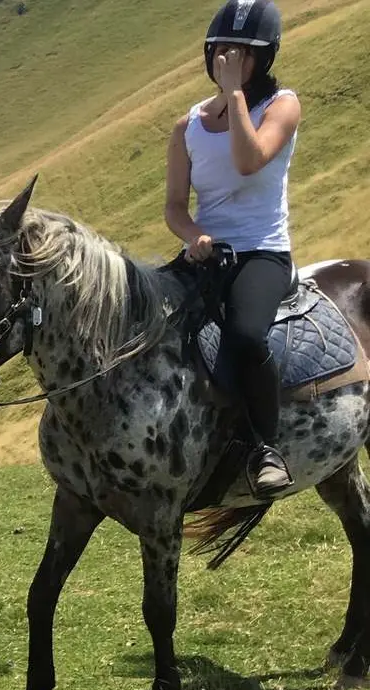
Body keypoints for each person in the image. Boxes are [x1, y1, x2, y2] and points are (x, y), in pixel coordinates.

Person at [164, 0, 300, 499]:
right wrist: (193, 236)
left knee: (244, 334)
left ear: (262, 60)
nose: (227, 59)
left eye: (240, 53)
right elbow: (175, 205)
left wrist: (234, 95)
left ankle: (268, 447)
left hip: (262, 251)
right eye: (221, 50)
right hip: (206, 252)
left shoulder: (282, 106)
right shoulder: (188, 126)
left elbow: (249, 161)